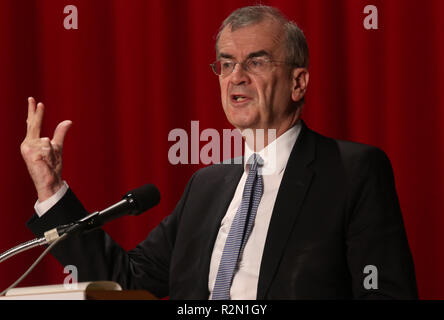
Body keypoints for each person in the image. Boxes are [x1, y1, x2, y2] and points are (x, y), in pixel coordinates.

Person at [21, 5, 417, 299]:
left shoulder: (352, 171)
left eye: (256, 62)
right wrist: (50, 190)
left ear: (298, 83)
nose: (236, 77)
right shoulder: (206, 185)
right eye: (226, 65)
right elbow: (127, 280)